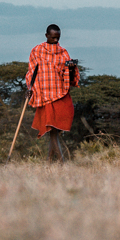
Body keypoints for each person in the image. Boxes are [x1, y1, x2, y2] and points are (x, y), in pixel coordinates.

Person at [26, 24, 79, 162]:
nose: (56, 41)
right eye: (53, 38)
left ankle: (49, 164)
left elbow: (68, 75)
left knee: (54, 131)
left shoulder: (63, 52)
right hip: (45, 95)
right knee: (52, 132)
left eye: (58, 38)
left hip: (61, 94)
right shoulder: (37, 50)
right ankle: (61, 163)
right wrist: (30, 89)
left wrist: (72, 68)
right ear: (46, 35)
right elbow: (32, 72)